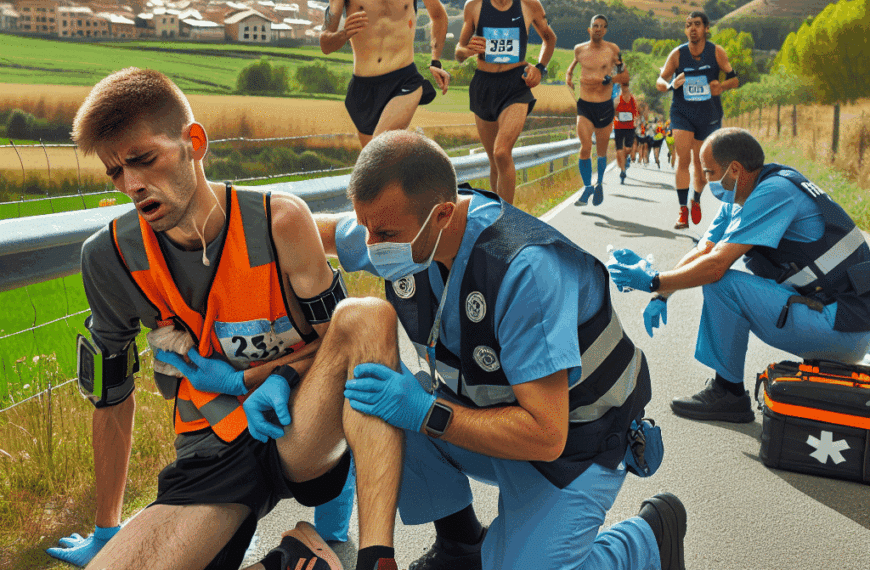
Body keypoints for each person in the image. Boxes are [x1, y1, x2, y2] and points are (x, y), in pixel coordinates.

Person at [47, 68, 409, 570]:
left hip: (298, 430)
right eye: (115, 172)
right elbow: (110, 396)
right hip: (210, 450)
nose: (131, 184)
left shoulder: (280, 222)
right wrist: (108, 527)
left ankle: (375, 559)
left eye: (143, 160)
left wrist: (274, 377)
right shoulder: (108, 257)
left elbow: (344, 346)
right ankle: (293, 561)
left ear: (193, 142)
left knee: (367, 316)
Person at [315, 130, 688, 570]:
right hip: (489, 419)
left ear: (442, 215)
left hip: (575, 446)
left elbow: (547, 436)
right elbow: (301, 229)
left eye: (383, 234)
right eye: (366, 229)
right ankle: (460, 544)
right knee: (379, 400)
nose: (371, 247)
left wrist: (425, 411)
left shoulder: (523, 271)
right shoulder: (402, 225)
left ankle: (644, 539)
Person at [607, 128, 870, 423]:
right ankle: (727, 390)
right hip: (839, 317)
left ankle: (728, 393)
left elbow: (715, 267)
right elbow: (705, 250)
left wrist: (654, 279)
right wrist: (662, 291)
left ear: (734, 169)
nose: (706, 182)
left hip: (845, 328)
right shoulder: (745, 195)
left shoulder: (774, 193)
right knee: (720, 279)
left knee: (723, 284)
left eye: (709, 172)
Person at [455, 0, 557, 205]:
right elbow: (458, 51)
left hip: (515, 85)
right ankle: (498, 214)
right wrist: (467, 51)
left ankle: (507, 221)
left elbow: (549, 38)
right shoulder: (474, 6)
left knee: (501, 152)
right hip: (484, 86)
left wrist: (540, 68)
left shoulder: (530, 5)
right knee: (494, 161)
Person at [320, 0, 451, 148]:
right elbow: (325, 45)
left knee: (378, 149)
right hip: (363, 88)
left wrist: (435, 62)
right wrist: (344, 34)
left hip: (404, 80)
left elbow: (439, 16)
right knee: (373, 164)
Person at [657, 11, 739, 230]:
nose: (692, 28)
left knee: (700, 165)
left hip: (709, 115)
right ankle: (682, 210)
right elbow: (660, 80)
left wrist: (721, 86)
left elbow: (735, 79)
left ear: (706, 28)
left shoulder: (716, 52)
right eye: (688, 25)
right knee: (683, 159)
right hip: (682, 113)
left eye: (696, 24)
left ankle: (696, 199)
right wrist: (671, 84)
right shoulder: (677, 54)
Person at [567, 14, 628, 207]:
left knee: (601, 152)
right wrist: (569, 76)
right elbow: (572, 66)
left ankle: (599, 183)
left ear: (606, 30)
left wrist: (613, 80)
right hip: (584, 105)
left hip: (604, 106)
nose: (598, 29)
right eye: (595, 25)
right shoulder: (579, 49)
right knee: (585, 146)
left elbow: (624, 73)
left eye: (602, 26)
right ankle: (587, 188)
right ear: (589, 29)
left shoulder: (613, 50)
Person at [613, 81, 638, 185]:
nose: (624, 89)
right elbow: (613, 111)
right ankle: (623, 171)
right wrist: (616, 115)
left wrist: (635, 120)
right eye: (622, 87)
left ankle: (625, 159)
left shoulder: (632, 99)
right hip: (618, 126)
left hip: (629, 126)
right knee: (619, 150)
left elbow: (635, 111)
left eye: (626, 87)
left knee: (628, 149)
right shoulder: (616, 99)